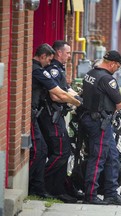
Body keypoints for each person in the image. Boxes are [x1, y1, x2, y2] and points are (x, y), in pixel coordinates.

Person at [29, 43, 81, 199]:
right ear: (44, 56)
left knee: (44, 150)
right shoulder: (40, 70)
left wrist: (78, 97)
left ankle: (42, 186)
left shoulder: (42, 69)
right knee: (52, 152)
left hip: (39, 115)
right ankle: (37, 184)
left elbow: (65, 89)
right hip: (44, 115)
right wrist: (79, 103)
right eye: (48, 60)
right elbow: (57, 94)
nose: (49, 64)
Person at [80, 50, 121, 205]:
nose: (117, 70)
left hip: (90, 118)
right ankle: (90, 195)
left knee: (112, 156)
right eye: (118, 67)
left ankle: (111, 193)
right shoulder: (107, 79)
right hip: (100, 123)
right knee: (98, 158)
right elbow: (119, 103)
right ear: (113, 63)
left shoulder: (91, 73)